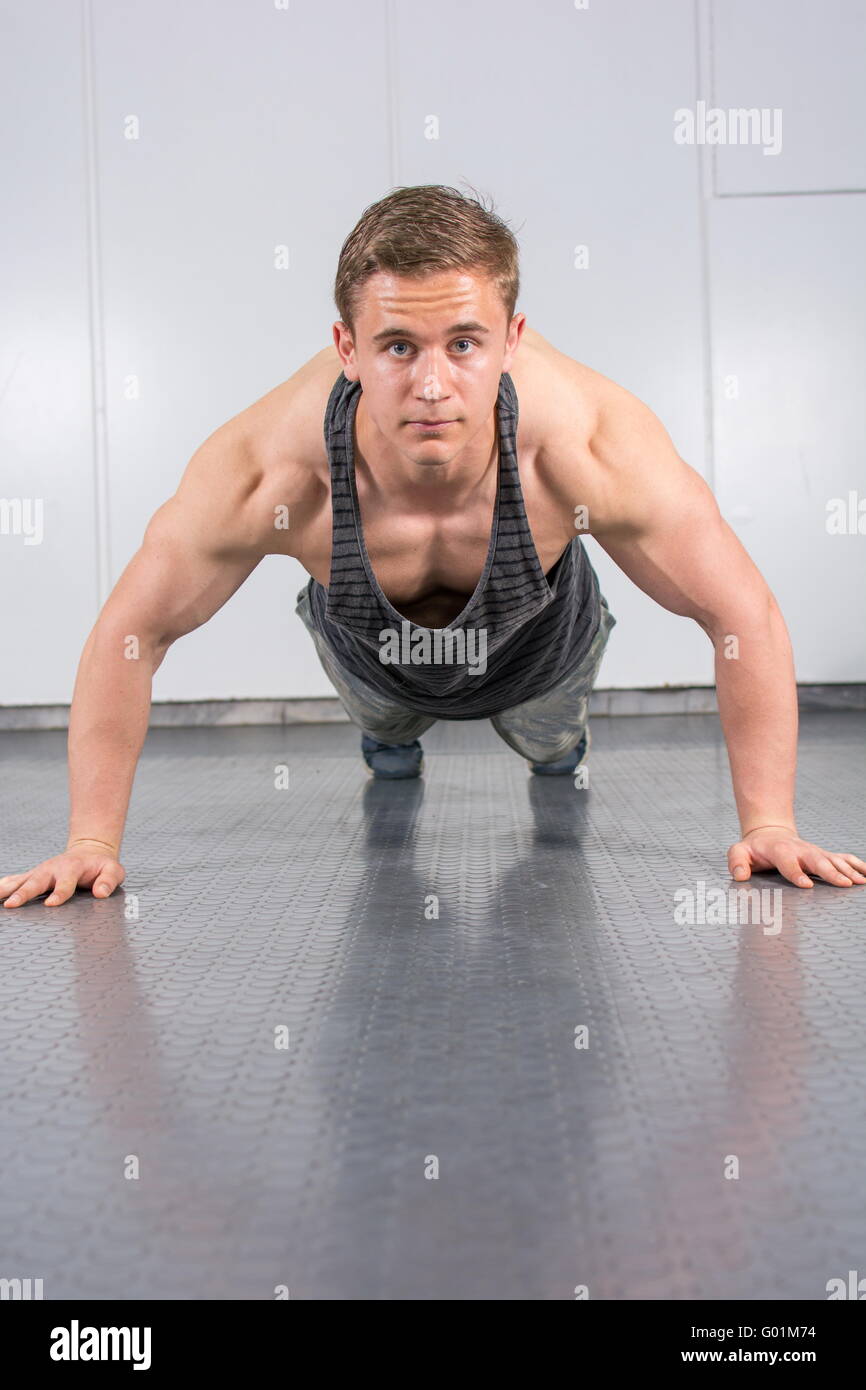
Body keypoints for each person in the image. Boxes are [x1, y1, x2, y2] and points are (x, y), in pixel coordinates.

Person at [2, 185, 864, 909]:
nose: (432, 385)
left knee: (550, 743)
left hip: (538, 662)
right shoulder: (272, 468)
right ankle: (392, 739)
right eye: (397, 347)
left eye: (463, 344)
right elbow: (133, 632)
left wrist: (769, 825)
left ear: (511, 341)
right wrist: (89, 838)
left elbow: (737, 610)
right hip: (372, 665)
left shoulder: (589, 447)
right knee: (387, 725)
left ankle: (557, 746)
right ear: (347, 348)